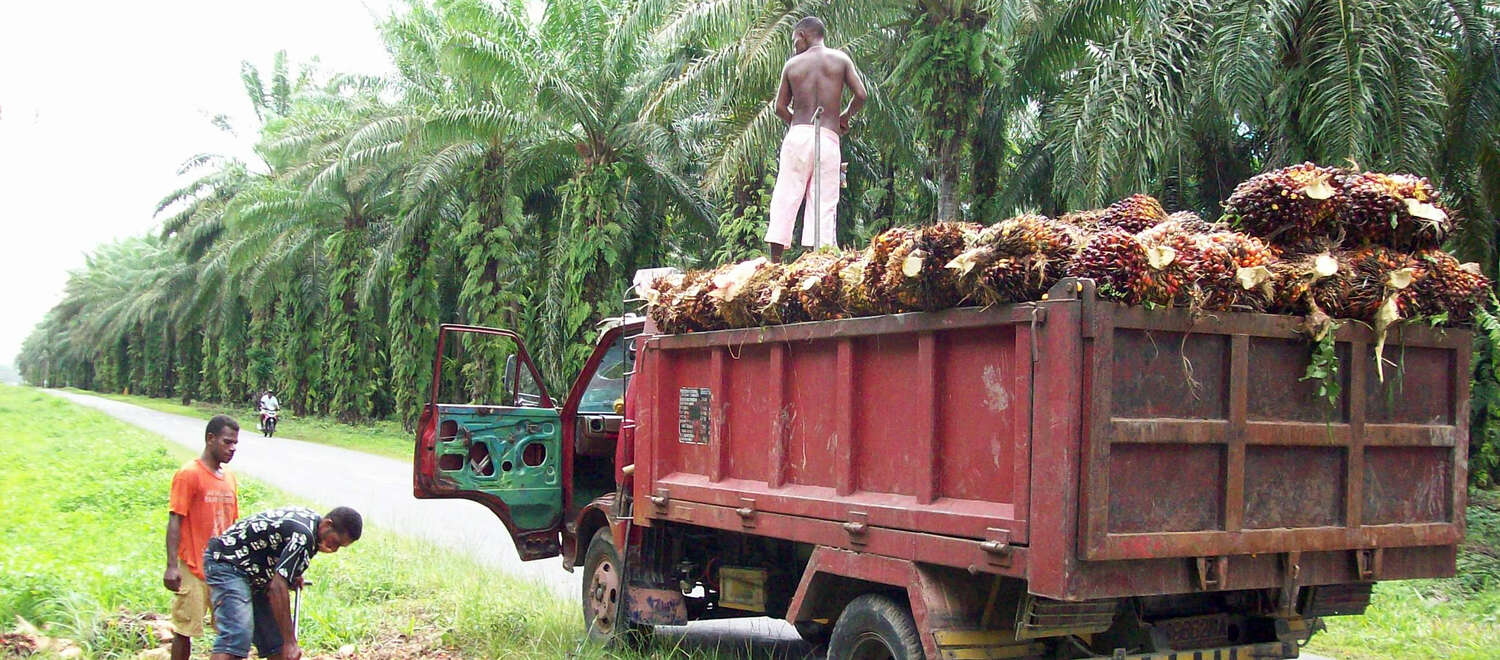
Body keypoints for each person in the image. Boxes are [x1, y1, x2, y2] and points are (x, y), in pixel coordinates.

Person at [764, 15, 868, 263]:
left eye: (794, 40)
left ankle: (775, 263)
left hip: (798, 135)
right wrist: (843, 117)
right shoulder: (840, 60)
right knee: (824, 200)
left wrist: (798, 124)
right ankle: (820, 262)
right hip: (829, 137)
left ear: (803, 35)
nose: (794, 46)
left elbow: (779, 107)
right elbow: (861, 95)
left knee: (786, 195)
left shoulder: (792, 65)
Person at [203, 506, 363, 660]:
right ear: (327, 524)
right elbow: (277, 587)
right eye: (335, 542)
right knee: (236, 634)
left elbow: (278, 554)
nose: (333, 549)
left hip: (256, 575)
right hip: (228, 563)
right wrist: (291, 641)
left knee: (276, 643)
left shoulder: (313, 528)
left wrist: (291, 573)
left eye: (340, 547)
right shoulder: (304, 535)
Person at [163, 415, 241, 660]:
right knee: (185, 630)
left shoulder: (229, 478)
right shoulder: (189, 474)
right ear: (210, 439)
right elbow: (175, 520)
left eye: (235, 444)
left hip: (223, 570)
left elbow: (233, 524)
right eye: (227, 442)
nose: (232, 449)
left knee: (229, 630)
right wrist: (171, 566)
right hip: (193, 565)